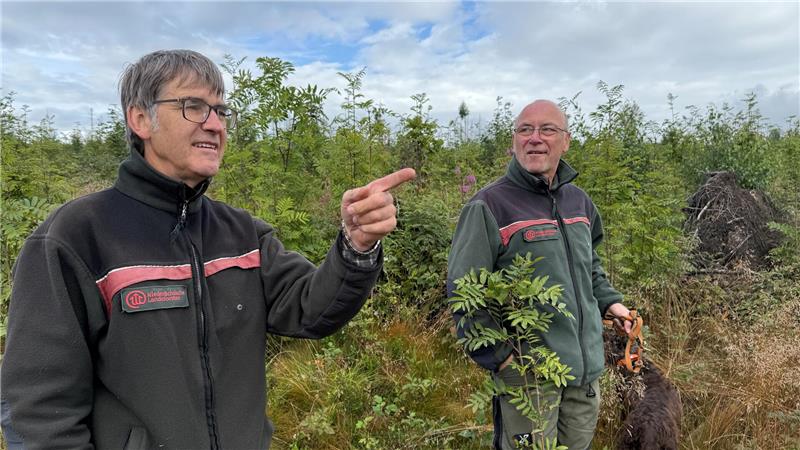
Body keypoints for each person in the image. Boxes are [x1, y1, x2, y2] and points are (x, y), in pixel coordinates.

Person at [0, 49, 415, 449]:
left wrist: (356, 245)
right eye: (193, 106)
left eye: (221, 110)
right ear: (140, 118)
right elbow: (39, 410)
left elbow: (310, 309)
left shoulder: (240, 233)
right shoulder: (75, 239)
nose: (215, 124)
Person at [447, 99, 632, 450]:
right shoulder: (489, 206)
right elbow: (463, 292)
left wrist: (611, 304)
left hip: (584, 370)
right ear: (514, 141)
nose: (535, 138)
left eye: (547, 129)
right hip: (529, 376)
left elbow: (589, 265)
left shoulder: (579, 202)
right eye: (525, 130)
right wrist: (502, 360)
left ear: (566, 140)